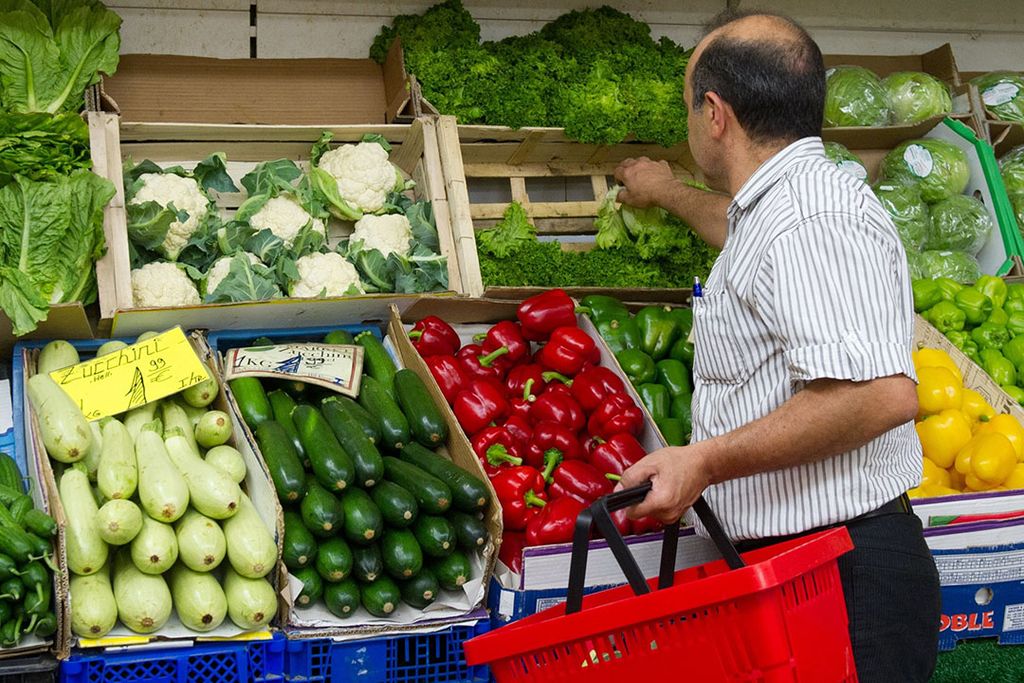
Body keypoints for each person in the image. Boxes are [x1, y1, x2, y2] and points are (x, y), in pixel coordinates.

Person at [614, 9, 940, 682]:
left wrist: (702, 460)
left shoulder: (813, 216)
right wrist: (668, 192)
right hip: (801, 567)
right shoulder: (781, 204)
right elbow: (747, 236)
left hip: (843, 577)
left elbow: (878, 395)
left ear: (714, 113)